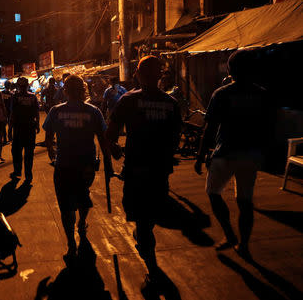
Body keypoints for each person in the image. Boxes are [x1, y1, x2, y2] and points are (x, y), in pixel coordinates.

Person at [106, 56, 182, 283]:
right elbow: (175, 138)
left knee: (142, 221)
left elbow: (110, 134)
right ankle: (146, 245)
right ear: (160, 76)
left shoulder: (128, 100)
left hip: (137, 170)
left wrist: (114, 149)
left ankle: (152, 269)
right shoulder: (171, 104)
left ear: (137, 75)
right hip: (159, 171)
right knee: (148, 220)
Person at [194, 49, 276, 258]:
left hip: (226, 153)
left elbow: (210, 129)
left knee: (213, 193)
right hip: (251, 155)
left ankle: (230, 234)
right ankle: (244, 245)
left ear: (230, 70)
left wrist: (201, 155)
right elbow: (269, 126)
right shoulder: (262, 94)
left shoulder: (222, 94)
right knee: (245, 202)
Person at [43, 75, 112, 263]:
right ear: (83, 90)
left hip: (64, 165)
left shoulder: (56, 111)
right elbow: (103, 138)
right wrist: (108, 161)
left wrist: (51, 148)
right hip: (86, 166)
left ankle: (71, 244)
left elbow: (48, 135)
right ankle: (81, 222)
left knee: (66, 206)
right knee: (83, 195)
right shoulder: (93, 111)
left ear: (65, 91)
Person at [9, 77, 40, 183]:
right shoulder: (32, 97)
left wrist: (9, 129)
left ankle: (17, 171)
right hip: (30, 127)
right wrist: (38, 125)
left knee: (16, 151)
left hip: (18, 128)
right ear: (27, 86)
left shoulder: (15, 97)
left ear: (18, 86)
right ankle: (28, 174)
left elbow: (12, 114)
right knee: (29, 152)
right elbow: (37, 112)